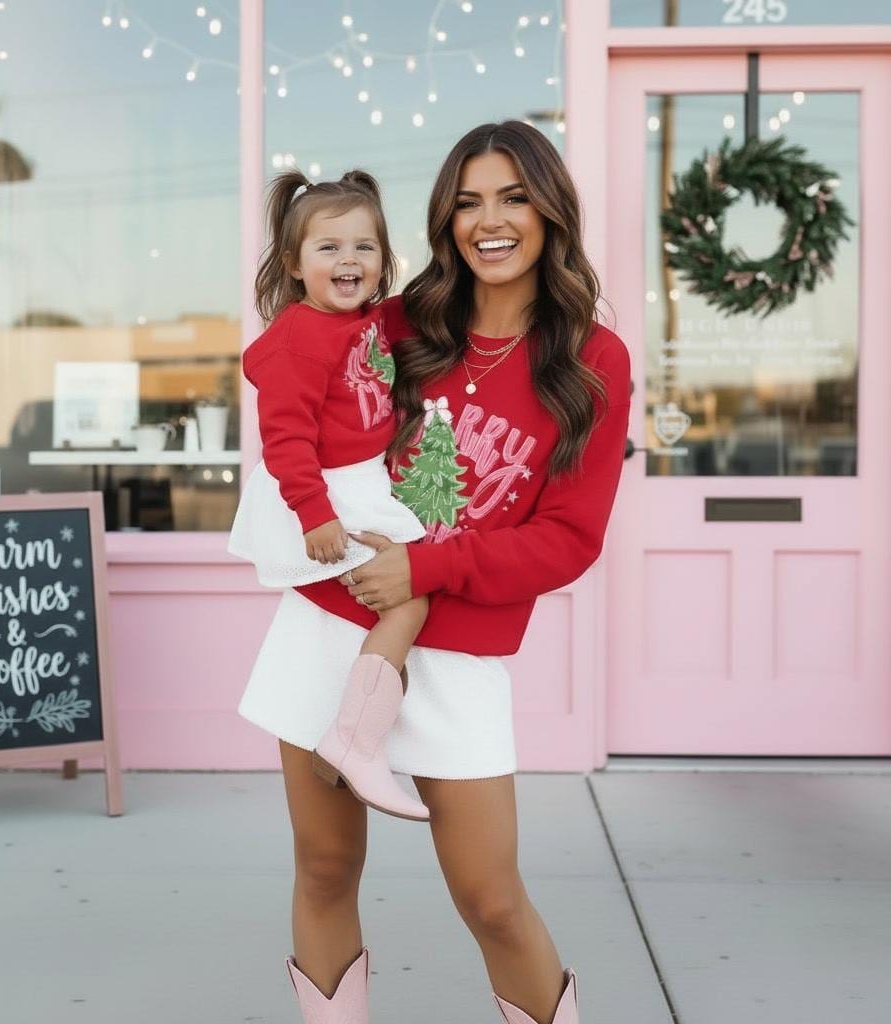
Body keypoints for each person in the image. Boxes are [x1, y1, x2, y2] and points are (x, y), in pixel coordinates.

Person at [238, 121, 631, 1024]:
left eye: (512, 197)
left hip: (455, 651)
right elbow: (288, 375)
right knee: (325, 867)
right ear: (445, 220)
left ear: (550, 210)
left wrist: (426, 562)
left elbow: (569, 538)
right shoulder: (397, 319)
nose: (488, 222)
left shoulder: (592, 361)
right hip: (330, 626)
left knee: (492, 900)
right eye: (466, 203)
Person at [228, 168, 433, 822]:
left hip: (358, 479)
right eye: (329, 248)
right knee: (410, 596)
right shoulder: (298, 340)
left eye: (364, 248)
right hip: (324, 492)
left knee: (401, 596)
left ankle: (348, 734)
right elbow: (285, 440)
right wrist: (315, 516)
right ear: (293, 264)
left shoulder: (369, 320)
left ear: (382, 263)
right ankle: (354, 740)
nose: (349, 259)